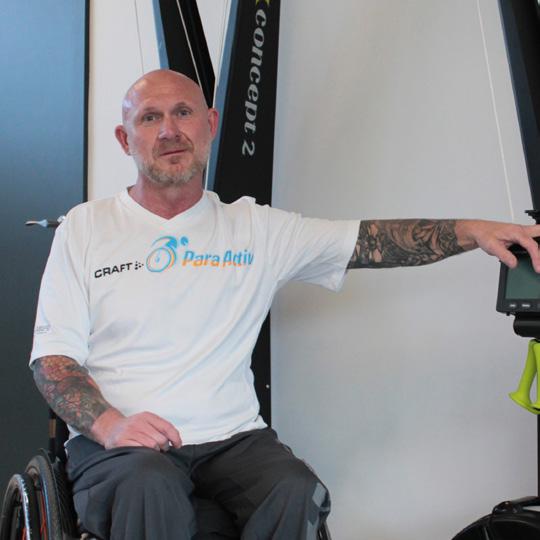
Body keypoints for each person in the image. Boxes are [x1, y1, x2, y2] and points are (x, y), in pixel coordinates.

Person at [30, 69, 540, 540]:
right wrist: (112, 424)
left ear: (210, 124)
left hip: (233, 440)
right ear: (125, 139)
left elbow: (371, 242)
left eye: (183, 112)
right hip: (121, 444)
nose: (169, 130)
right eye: (149, 118)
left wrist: (473, 231)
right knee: (149, 485)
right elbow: (53, 361)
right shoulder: (86, 228)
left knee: (296, 489)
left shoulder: (257, 229)